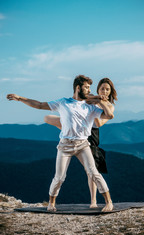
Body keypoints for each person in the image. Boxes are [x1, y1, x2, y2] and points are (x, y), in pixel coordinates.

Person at [6, 75, 114, 212]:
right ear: (78, 88)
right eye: (86, 87)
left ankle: (108, 202)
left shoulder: (90, 106)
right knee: (59, 177)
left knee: (94, 173)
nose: (89, 90)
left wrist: (102, 101)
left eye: (89, 88)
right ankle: (51, 203)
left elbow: (109, 115)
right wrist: (20, 98)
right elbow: (39, 105)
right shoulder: (63, 102)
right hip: (65, 145)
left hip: (83, 145)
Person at [44, 78, 117, 208]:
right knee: (47, 117)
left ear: (110, 92)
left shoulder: (108, 105)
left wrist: (98, 103)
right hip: (75, 135)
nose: (104, 91)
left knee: (93, 172)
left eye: (107, 89)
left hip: (91, 135)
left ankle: (95, 201)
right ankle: (52, 202)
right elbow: (80, 100)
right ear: (98, 89)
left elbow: (99, 122)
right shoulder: (88, 99)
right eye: (102, 89)